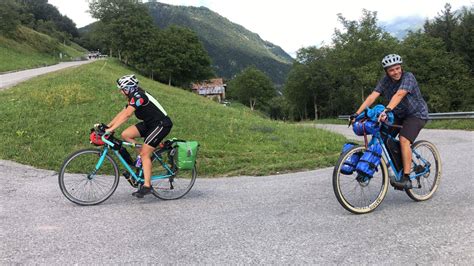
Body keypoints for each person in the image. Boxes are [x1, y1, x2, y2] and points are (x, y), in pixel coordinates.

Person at [350, 54, 429, 189]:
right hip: (398, 114)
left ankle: (406, 177)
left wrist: (387, 110)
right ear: (387, 71)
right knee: (383, 136)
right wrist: (357, 113)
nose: (396, 72)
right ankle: (399, 162)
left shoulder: (408, 77)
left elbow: (399, 94)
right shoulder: (385, 81)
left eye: (397, 68)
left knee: (404, 139)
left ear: (401, 67)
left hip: (416, 114)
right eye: (392, 70)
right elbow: (372, 97)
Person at [105, 74, 173, 198]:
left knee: (145, 154)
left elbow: (127, 115)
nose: (121, 91)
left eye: (122, 89)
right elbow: (123, 112)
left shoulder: (139, 96)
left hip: (161, 125)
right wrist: (108, 126)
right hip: (150, 124)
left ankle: (147, 186)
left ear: (129, 88)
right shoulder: (134, 97)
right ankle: (146, 155)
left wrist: (111, 130)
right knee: (126, 134)